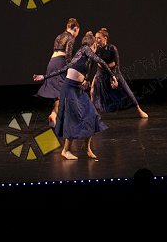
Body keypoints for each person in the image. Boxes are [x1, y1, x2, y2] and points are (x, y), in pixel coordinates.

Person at [33, 31, 117, 160]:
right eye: (95, 44)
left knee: (92, 115)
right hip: (69, 89)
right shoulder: (86, 49)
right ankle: (65, 150)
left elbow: (85, 68)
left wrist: (86, 80)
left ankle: (86, 147)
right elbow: (98, 60)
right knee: (73, 119)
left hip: (78, 89)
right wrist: (113, 76)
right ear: (93, 44)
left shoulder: (84, 55)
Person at [87, 27, 148, 118]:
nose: (96, 40)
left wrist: (114, 77)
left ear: (105, 38)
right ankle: (92, 113)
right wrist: (87, 79)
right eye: (96, 38)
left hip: (113, 71)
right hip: (101, 72)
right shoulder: (96, 49)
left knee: (126, 90)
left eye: (99, 38)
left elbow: (117, 65)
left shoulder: (112, 48)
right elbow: (91, 64)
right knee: (93, 91)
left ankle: (139, 109)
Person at [36, 18, 80, 126]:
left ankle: (54, 115)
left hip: (52, 63)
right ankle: (68, 118)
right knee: (66, 90)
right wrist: (71, 69)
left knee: (58, 93)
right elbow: (68, 57)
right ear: (75, 28)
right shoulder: (70, 38)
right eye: (78, 31)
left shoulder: (59, 36)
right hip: (60, 63)